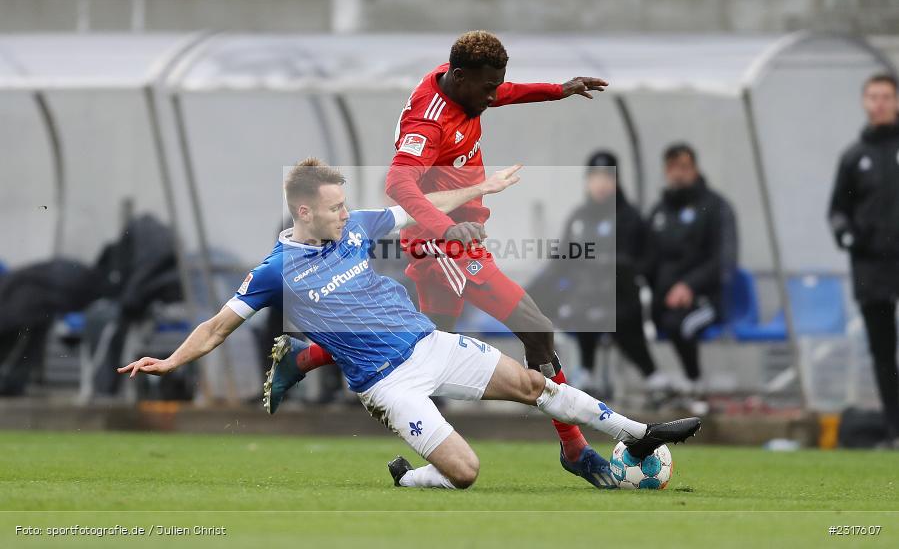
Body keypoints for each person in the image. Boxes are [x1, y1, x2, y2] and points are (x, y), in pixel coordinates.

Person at [118, 158, 701, 490]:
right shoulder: (276, 270)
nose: (346, 213)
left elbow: (419, 208)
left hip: (431, 344)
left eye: (346, 204)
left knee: (534, 385)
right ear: (303, 210)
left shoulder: (355, 228)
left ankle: (638, 433)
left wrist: (481, 187)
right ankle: (408, 479)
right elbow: (217, 326)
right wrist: (169, 361)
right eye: (335, 206)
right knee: (465, 474)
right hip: (388, 384)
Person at [274, 31, 615, 487]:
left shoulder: (465, 88)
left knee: (428, 336)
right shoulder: (427, 124)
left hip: (460, 233)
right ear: (459, 76)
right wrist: (444, 228)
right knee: (535, 326)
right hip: (444, 242)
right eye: (487, 87)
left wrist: (558, 89)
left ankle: (305, 358)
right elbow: (398, 184)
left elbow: (502, 92)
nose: (493, 96)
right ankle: (574, 446)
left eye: (496, 85)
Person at [532, 150, 668, 402]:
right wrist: (530, 292)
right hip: (583, 297)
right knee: (547, 307)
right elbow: (560, 260)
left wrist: (608, 266)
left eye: (607, 177)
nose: (601, 184)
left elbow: (643, 263)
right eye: (595, 177)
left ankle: (652, 376)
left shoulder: (629, 218)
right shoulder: (579, 218)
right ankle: (575, 375)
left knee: (607, 312)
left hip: (621, 297)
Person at [828, 72, 899, 449]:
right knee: (883, 353)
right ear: (864, 102)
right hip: (871, 269)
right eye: (873, 97)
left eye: (886, 96)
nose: (880, 103)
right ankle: (895, 431)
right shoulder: (854, 157)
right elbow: (838, 209)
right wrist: (845, 233)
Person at [644, 143, 737, 413]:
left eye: (684, 167)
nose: (678, 173)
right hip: (662, 299)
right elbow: (648, 257)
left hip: (705, 299)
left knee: (679, 324)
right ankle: (657, 383)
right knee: (620, 317)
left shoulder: (716, 207)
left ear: (695, 169)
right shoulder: (659, 211)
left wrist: (690, 286)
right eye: (672, 167)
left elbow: (724, 260)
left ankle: (694, 386)